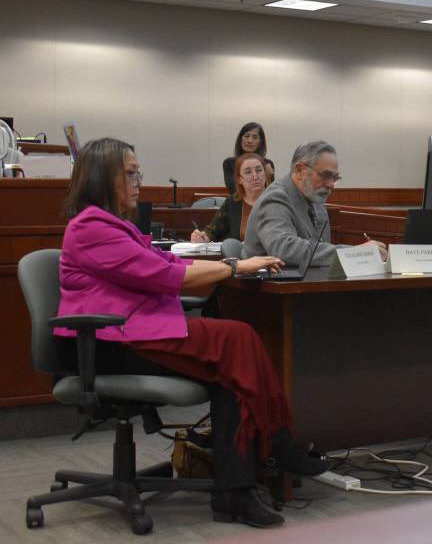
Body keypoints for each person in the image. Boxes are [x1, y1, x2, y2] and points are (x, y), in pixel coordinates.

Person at [55, 138, 330, 528]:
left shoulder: (116, 226)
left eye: (138, 172)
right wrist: (235, 267)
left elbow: (163, 260)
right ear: (102, 178)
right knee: (237, 338)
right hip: (103, 342)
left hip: (132, 331)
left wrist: (225, 264)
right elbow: (166, 275)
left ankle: (234, 491)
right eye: (130, 173)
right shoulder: (90, 229)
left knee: (232, 370)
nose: (138, 181)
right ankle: (278, 444)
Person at [245, 140, 386, 266]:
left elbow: (320, 250)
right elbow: (285, 250)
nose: (331, 185)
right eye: (325, 175)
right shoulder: (275, 198)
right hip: (272, 290)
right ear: (300, 170)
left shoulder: (316, 200)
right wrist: (354, 253)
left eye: (335, 178)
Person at [193, 153, 269, 242]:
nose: (255, 177)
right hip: (240, 255)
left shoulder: (277, 200)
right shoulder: (232, 203)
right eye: (248, 172)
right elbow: (212, 232)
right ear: (239, 179)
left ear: (265, 173)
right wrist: (202, 238)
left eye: (259, 170)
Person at [223, 123, 274, 195]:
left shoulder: (267, 164)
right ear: (240, 139)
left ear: (260, 142)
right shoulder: (229, 163)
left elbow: (270, 193)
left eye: (255, 137)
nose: (250, 141)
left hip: (262, 204)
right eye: (246, 136)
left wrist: (269, 177)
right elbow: (233, 191)